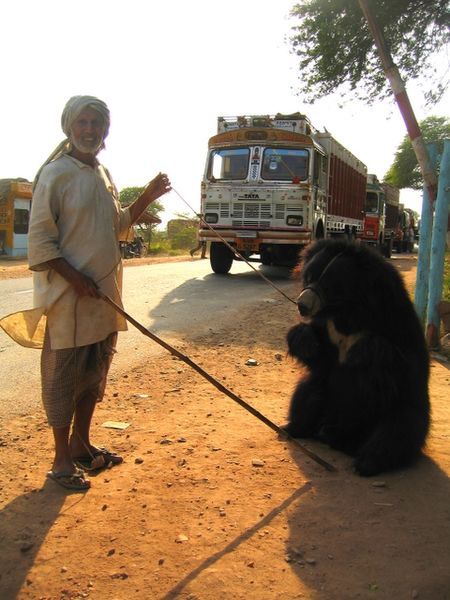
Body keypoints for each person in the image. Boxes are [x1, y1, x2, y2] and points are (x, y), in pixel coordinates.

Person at [27, 95, 171, 490]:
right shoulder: (55, 174)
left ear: (105, 130)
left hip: (104, 296)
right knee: (63, 379)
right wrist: (74, 278)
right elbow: (40, 242)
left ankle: (81, 445)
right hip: (68, 300)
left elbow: (117, 227)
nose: (89, 130)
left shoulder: (103, 174)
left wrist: (147, 196)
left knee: (93, 375)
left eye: (96, 123)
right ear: (69, 127)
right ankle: (60, 463)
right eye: (83, 123)